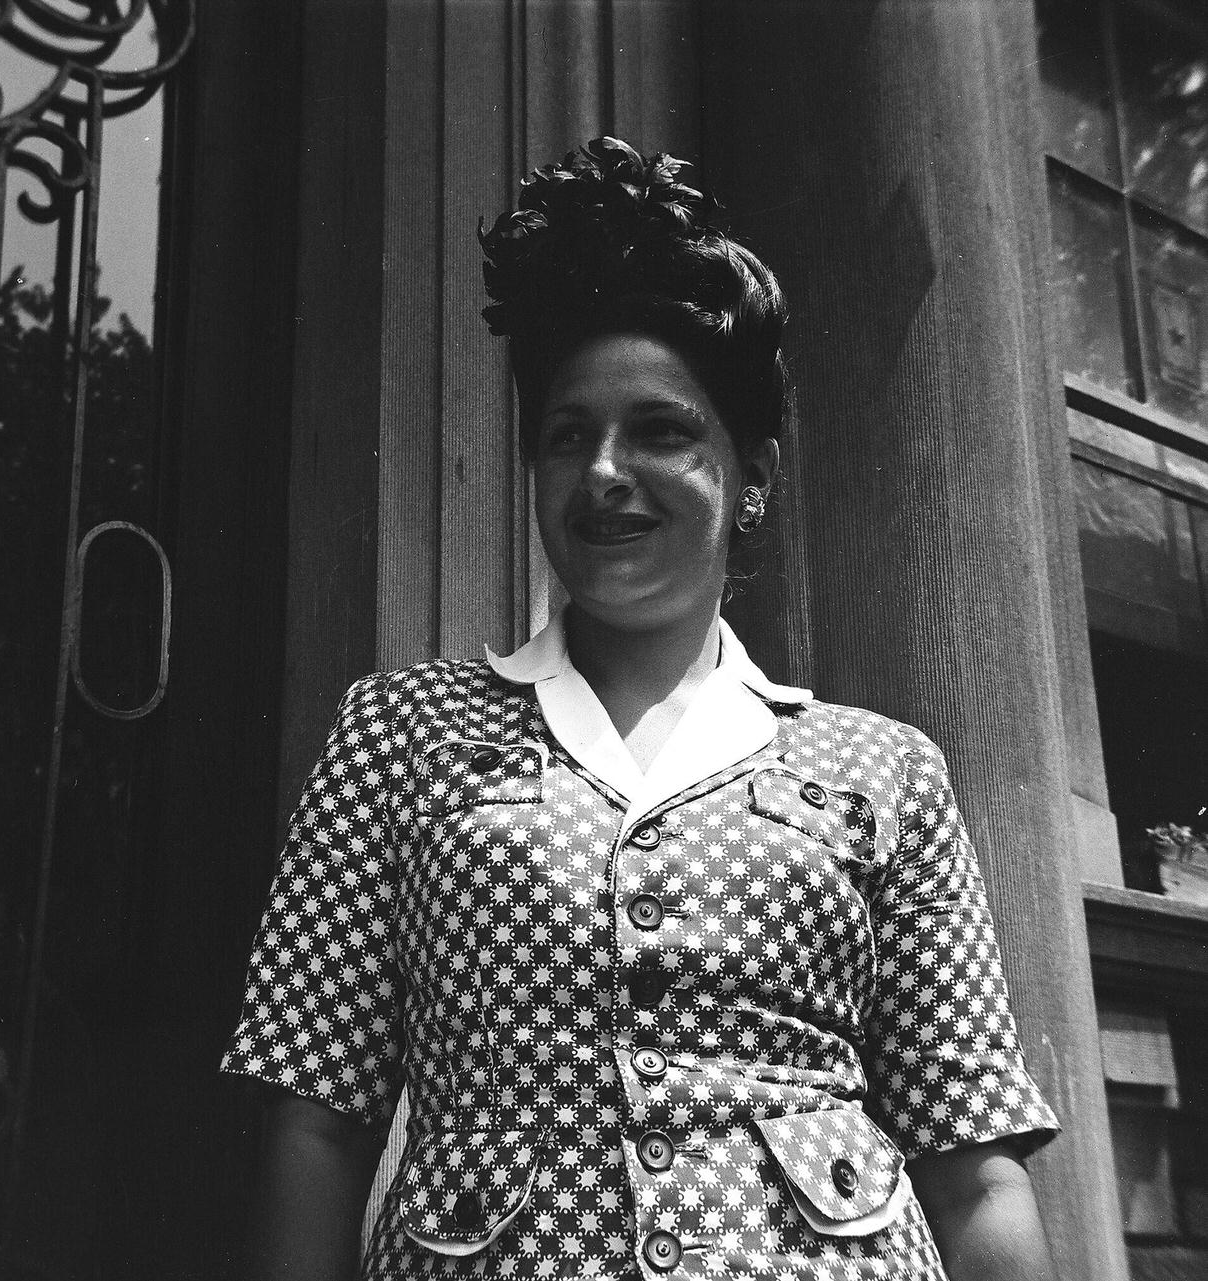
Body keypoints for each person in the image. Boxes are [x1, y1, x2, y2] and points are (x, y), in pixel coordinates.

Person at [222, 137, 1060, 1281]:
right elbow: (316, 1123)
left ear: (750, 474)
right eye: (569, 436)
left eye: (660, 430)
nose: (604, 471)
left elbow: (975, 1169)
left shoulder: (883, 769)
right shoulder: (397, 736)